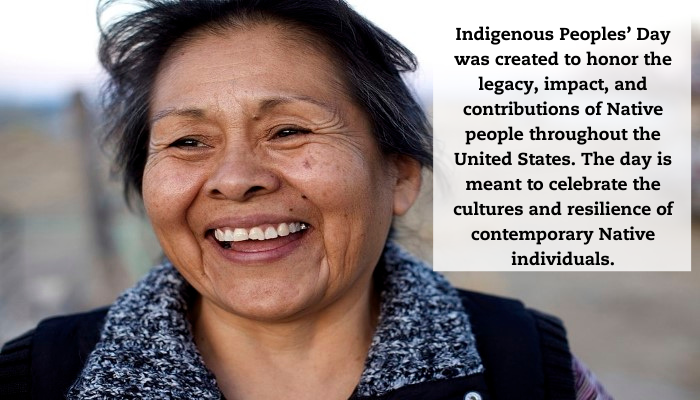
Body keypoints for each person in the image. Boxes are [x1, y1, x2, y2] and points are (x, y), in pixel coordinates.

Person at [0, 1, 611, 399]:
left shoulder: (532, 370)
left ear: (399, 176)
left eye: (289, 130)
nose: (235, 178)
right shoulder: (34, 380)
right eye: (188, 141)